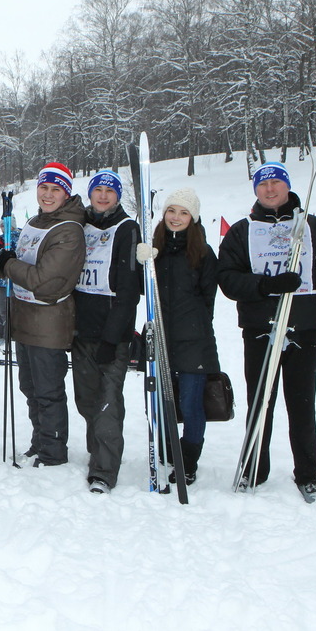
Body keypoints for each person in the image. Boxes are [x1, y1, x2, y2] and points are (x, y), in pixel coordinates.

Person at [217, 161, 316, 503]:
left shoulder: (313, 228)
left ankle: (308, 473)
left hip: (303, 329)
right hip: (261, 330)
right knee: (261, 402)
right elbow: (228, 279)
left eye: (277, 183)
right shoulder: (242, 231)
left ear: (287, 187)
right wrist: (266, 285)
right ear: (256, 190)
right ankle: (254, 467)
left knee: (302, 405)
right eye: (263, 184)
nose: (270, 189)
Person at [0, 162, 85, 469]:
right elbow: (21, 258)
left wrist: (7, 264)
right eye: (44, 187)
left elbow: (45, 281)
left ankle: (53, 454)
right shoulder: (36, 221)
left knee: (48, 391)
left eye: (55, 190)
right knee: (30, 388)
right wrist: (3, 250)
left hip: (49, 322)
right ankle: (39, 443)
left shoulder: (69, 230)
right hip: (24, 319)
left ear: (66, 193)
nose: (47, 194)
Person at [137, 187, 219, 487]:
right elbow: (143, 290)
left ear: (193, 218)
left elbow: (208, 299)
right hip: (161, 337)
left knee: (191, 402)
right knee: (160, 400)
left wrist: (193, 327)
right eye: (172, 210)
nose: (176, 217)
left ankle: (189, 460)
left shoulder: (203, 253)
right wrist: (142, 262)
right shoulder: (155, 247)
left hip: (193, 341)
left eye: (183, 212)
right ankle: (170, 451)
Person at [71, 170, 141, 494]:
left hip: (113, 334)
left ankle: (104, 469)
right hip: (81, 330)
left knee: (108, 402)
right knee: (86, 401)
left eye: (108, 192)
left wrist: (113, 338)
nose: (102, 196)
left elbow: (129, 291)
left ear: (117, 196)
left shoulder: (127, 229)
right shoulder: (81, 225)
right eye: (97, 190)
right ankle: (97, 452)